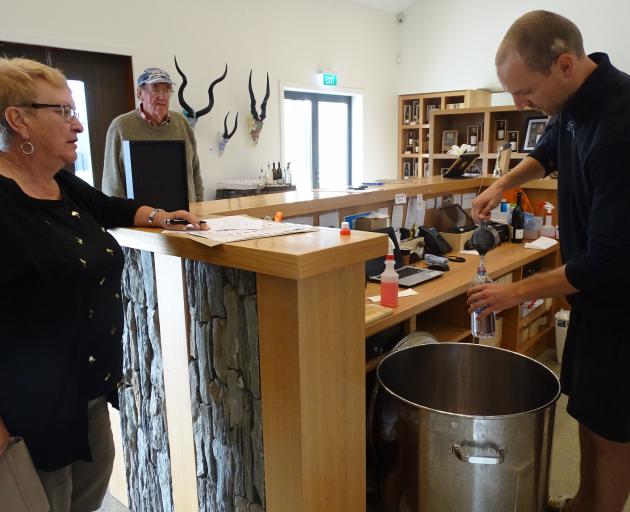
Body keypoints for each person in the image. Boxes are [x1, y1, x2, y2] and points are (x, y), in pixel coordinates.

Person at [0, 57, 206, 512]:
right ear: (19, 121)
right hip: (29, 411)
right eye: (63, 112)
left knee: (86, 499)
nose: (77, 124)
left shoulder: (64, 186)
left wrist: (160, 216)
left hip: (88, 391)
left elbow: (112, 207)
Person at [468, 10, 630, 512]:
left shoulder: (621, 125)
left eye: (525, 92)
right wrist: (501, 184)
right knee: (585, 410)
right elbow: (547, 150)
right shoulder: (574, 102)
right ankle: (584, 502)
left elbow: (606, 263)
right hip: (592, 302)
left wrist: (513, 291)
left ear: (564, 64)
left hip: (622, 308)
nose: (520, 105)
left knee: (613, 429)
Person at [101, 67, 204, 201]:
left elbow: (195, 172)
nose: (162, 96)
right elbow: (112, 184)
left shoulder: (182, 123)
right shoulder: (120, 127)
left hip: (186, 217)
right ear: (139, 93)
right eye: (155, 89)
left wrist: (200, 208)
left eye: (167, 90)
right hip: (141, 219)